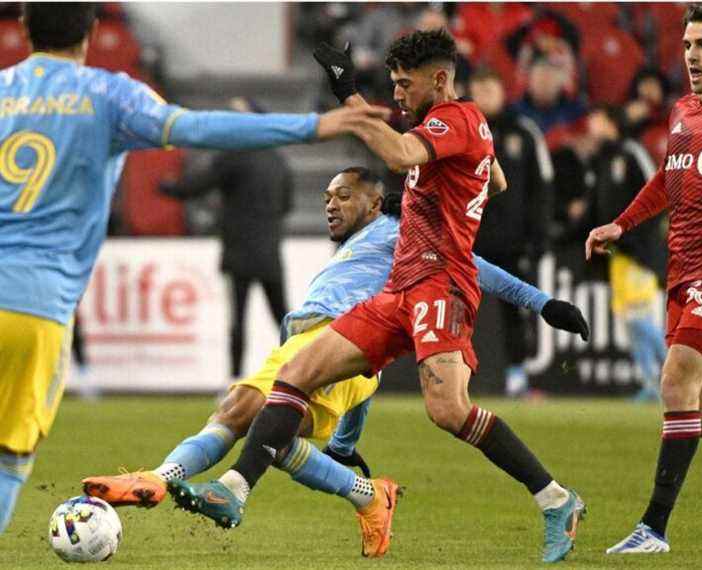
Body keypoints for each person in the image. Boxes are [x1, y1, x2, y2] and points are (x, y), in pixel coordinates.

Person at [171, 29, 589, 564]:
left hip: (442, 283)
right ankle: (233, 490)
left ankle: (557, 500)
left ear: (440, 79)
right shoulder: (459, 127)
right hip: (400, 291)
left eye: (403, 84)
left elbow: (399, 155)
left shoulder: (455, 118)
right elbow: (496, 180)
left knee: (448, 410)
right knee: (294, 375)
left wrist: (350, 97)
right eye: (391, 84)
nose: (396, 94)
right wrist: (441, 184)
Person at [0, 2, 387, 536]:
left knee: (256, 407)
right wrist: (314, 125)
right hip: (35, 308)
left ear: (22, 28)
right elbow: (200, 127)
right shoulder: (111, 94)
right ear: (92, 30)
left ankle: (174, 477)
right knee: (7, 459)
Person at [83, 165, 590, 557]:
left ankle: (161, 478)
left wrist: (541, 303)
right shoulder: (355, 248)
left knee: (241, 408)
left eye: (343, 196)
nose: (330, 205)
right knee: (272, 436)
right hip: (318, 346)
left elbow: (472, 267)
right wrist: (347, 441)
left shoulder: (396, 231)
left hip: (330, 343)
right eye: (326, 198)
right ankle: (368, 496)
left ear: (375, 203)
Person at [586, 3, 702, 554]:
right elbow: (670, 177)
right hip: (683, 267)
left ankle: (652, 530)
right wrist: (622, 221)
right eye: (687, 45)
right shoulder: (683, 109)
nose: (691, 56)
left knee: (673, 383)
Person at [161, 97, 293, 379]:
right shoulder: (279, 161)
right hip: (270, 251)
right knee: (284, 319)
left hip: (239, 251)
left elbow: (194, 186)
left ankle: (234, 380)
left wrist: (167, 187)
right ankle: (303, 376)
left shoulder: (235, 156)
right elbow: (286, 205)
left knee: (238, 320)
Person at [469, 67, 554, 397]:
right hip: (468, 241)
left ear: (502, 91)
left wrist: (538, 238)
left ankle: (517, 377)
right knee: (455, 310)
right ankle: (450, 376)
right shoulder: (463, 130)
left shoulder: (524, 131)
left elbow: (542, 187)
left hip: (513, 243)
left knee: (517, 311)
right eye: (479, 86)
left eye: (490, 86)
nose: (485, 94)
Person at [583, 105, 667, 402]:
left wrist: (644, 244)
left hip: (640, 254)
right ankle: (649, 384)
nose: (590, 127)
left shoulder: (631, 153)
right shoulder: (601, 160)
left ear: (609, 123)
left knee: (636, 318)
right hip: (619, 254)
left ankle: (676, 368)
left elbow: (657, 194)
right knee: (629, 320)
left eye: (595, 120)